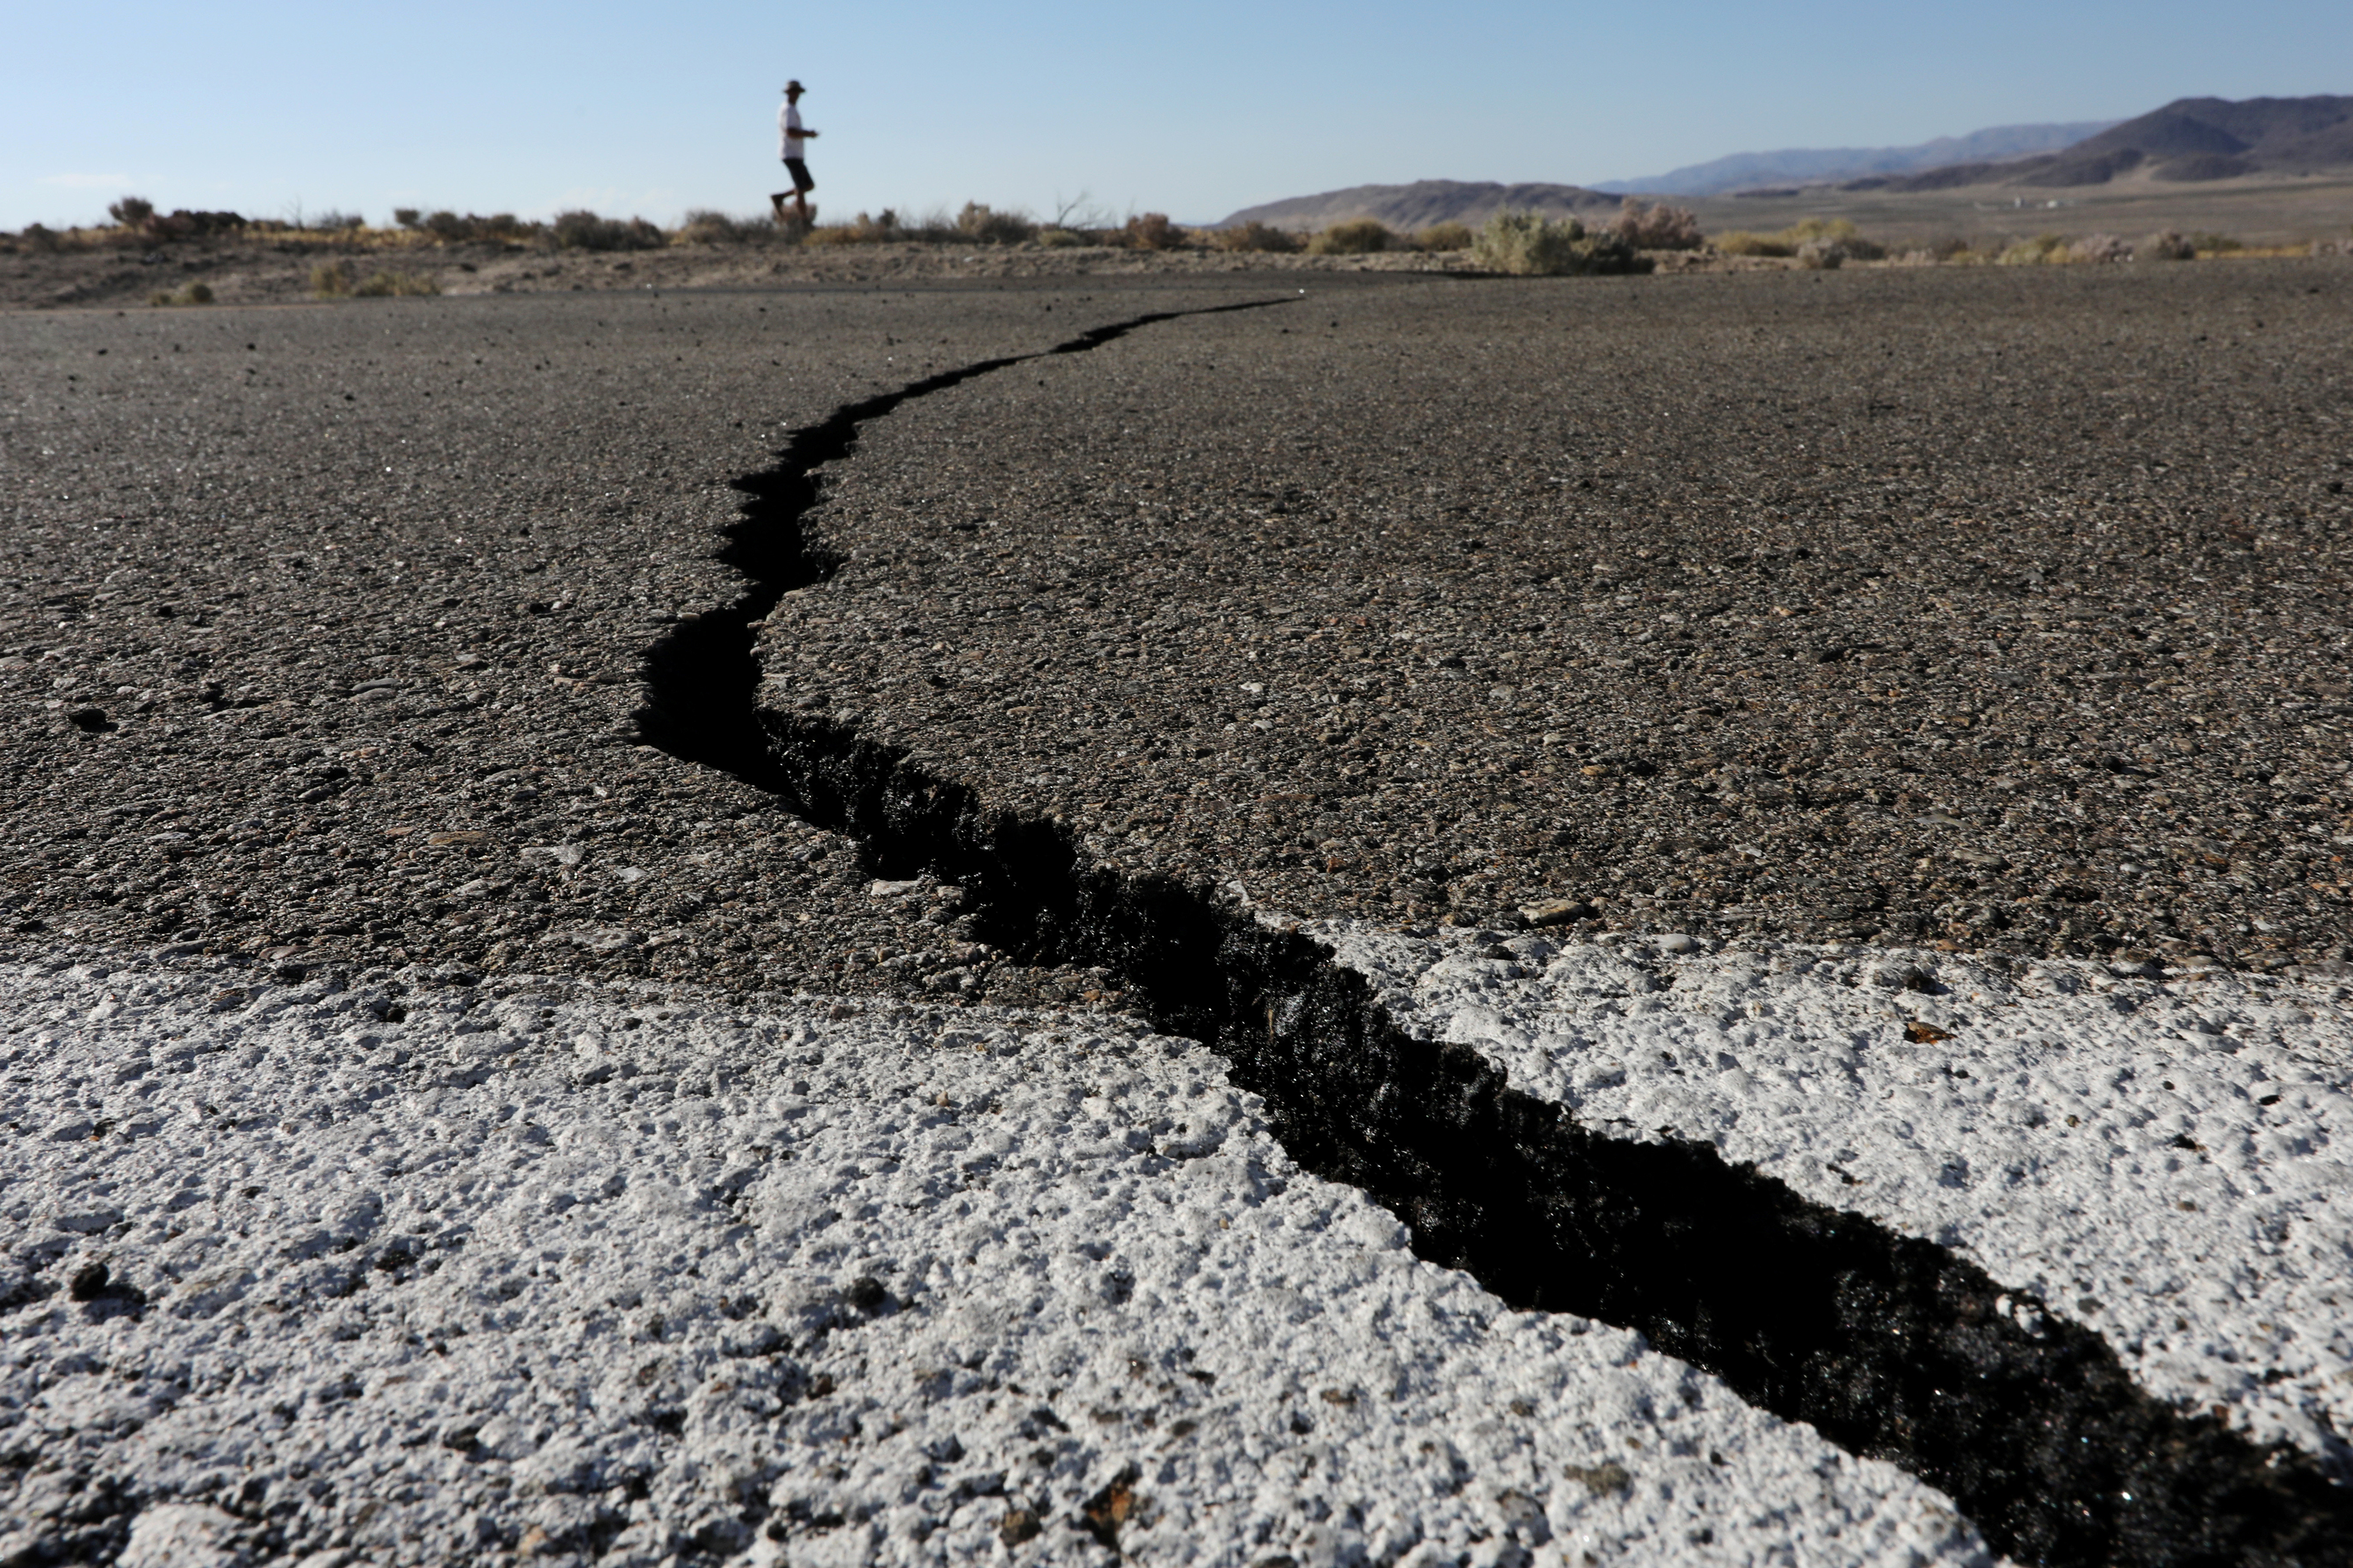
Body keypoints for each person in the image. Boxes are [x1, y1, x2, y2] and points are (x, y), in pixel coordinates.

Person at [770, 81, 819, 224]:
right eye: (794, 92)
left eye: (798, 92)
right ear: (789, 93)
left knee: (808, 185)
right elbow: (791, 132)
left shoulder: (791, 109)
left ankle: (780, 197)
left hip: (796, 154)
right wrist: (808, 134)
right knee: (801, 189)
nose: (797, 95)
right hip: (791, 153)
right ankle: (804, 222)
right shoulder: (789, 110)